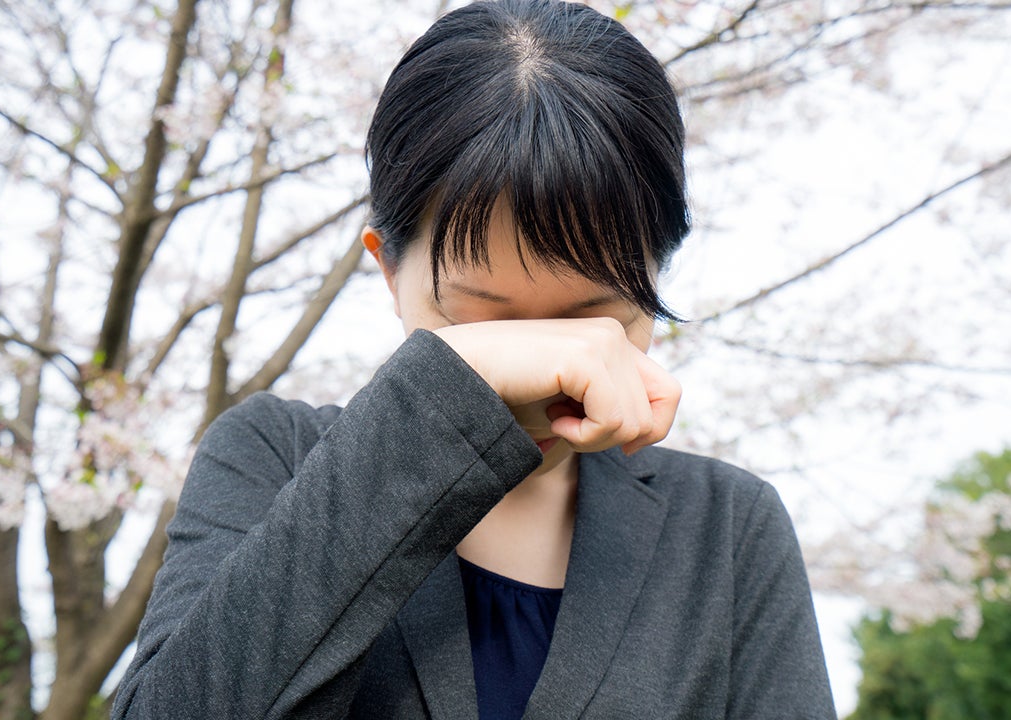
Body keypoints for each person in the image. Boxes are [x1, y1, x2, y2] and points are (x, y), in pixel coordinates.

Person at [111, 1, 837, 718]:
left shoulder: (728, 533)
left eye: (593, 322)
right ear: (389, 270)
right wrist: (449, 402)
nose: (549, 370)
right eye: (486, 323)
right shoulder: (273, 458)